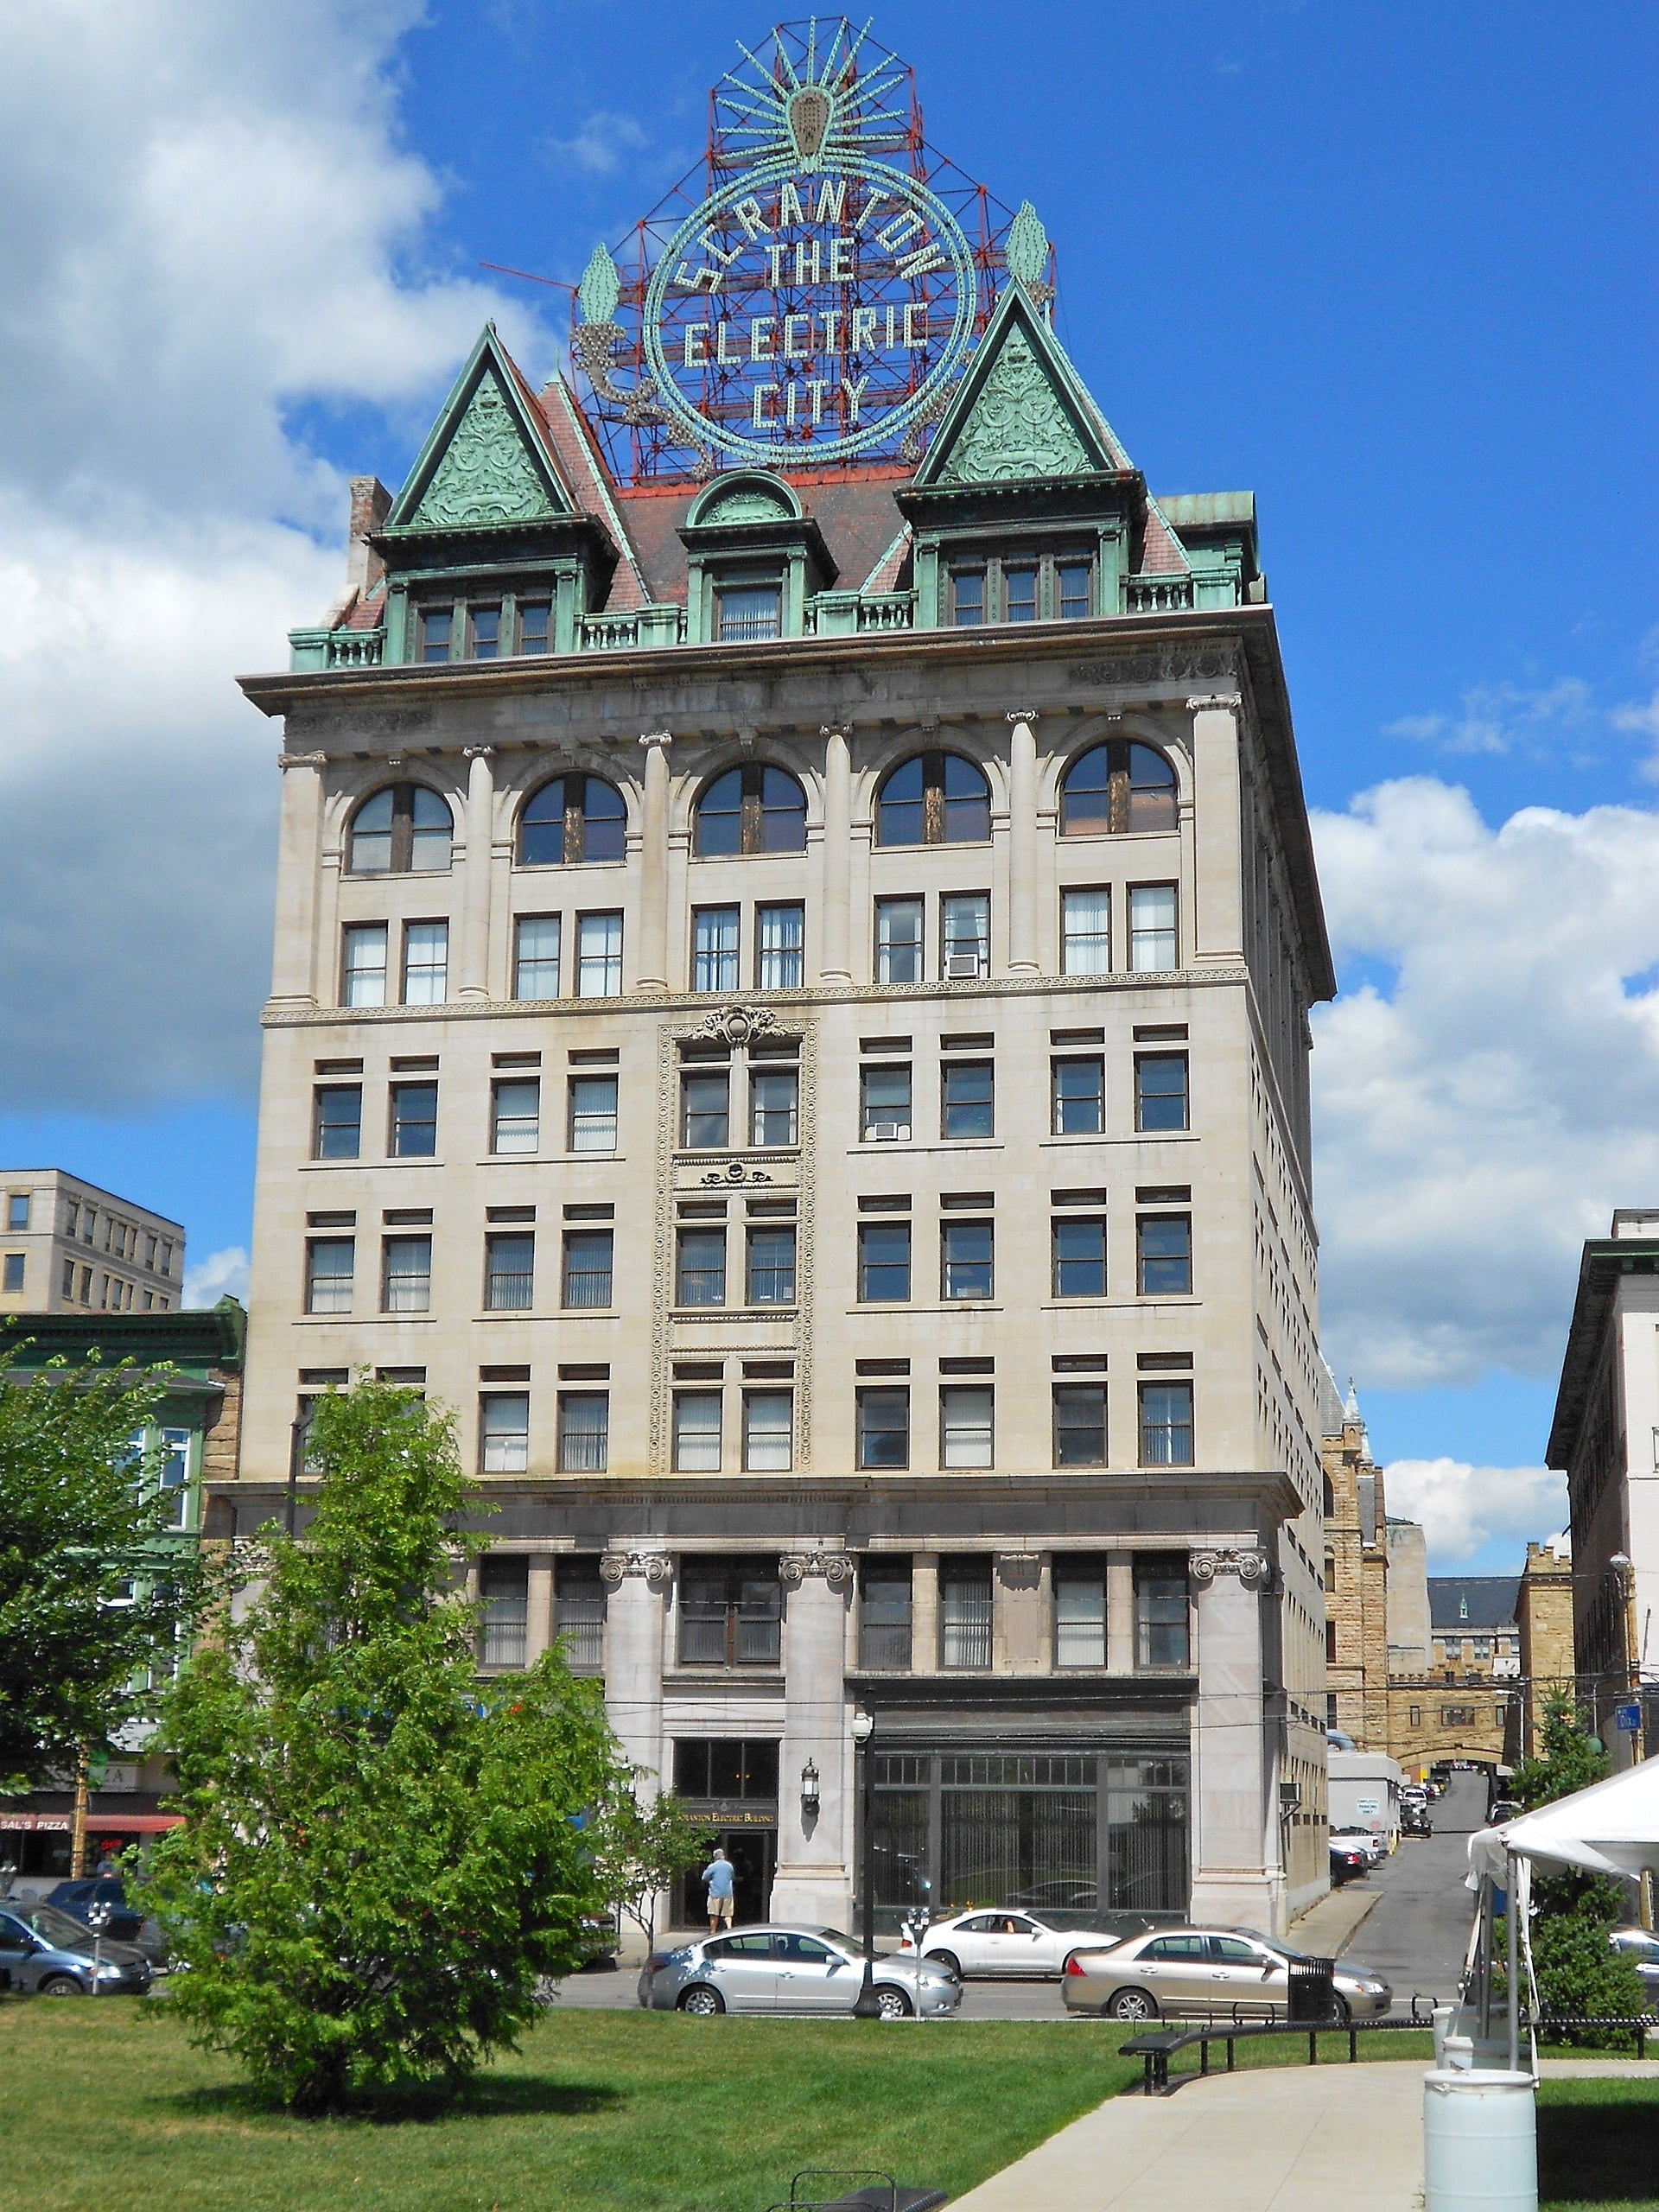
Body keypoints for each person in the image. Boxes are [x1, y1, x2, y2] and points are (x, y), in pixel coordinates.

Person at [702, 1846, 735, 1934]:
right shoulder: (729, 1866)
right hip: (728, 1893)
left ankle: (713, 1931)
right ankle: (729, 1930)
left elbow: (704, 1877)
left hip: (715, 1893)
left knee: (714, 1914)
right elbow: (732, 1877)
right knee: (728, 1914)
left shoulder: (712, 1866)